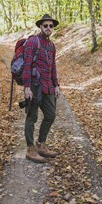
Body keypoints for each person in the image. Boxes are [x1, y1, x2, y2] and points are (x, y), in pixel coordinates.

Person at [22, 14, 61, 163]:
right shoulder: (33, 42)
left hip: (48, 86)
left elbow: (53, 66)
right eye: (46, 26)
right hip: (33, 85)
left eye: (51, 26)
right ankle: (30, 149)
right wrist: (27, 86)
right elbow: (26, 65)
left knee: (50, 114)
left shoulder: (51, 45)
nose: (48, 28)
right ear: (40, 26)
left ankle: (41, 144)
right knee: (32, 117)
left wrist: (56, 84)